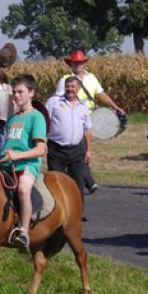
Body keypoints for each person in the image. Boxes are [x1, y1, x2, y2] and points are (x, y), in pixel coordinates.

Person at [54, 50, 126, 195]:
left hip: (89, 119)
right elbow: (58, 99)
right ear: (70, 64)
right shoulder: (65, 80)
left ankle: (82, 180)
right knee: (81, 151)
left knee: (82, 151)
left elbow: (101, 94)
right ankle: (89, 182)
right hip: (73, 118)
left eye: (80, 62)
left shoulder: (91, 78)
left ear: (84, 63)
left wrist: (115, 107)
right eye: (75, 63)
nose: (77, 65)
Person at [0, 74, 47, 249]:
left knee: (23, 190)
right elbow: (8, 145)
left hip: (27, 165)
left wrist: (18, 156)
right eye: (14, 92)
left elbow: (41, 149)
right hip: (6, 164)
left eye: (20, 92)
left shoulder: (36, 117)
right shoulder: (11, 118)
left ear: (31, 93)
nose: (16, 96)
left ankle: (23, 232)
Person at [46, 76, 92, 213]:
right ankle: (57, 212)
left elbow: (87, 130)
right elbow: (44, 122)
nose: (70, 89)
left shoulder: (84, 106)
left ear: (78, 88)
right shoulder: (54, 102)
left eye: (73, 86)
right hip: (56, 149)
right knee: (56, 182)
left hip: (77, 150)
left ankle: (77, 212)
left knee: (77, 183)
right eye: (67, 86)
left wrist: (89, 150)